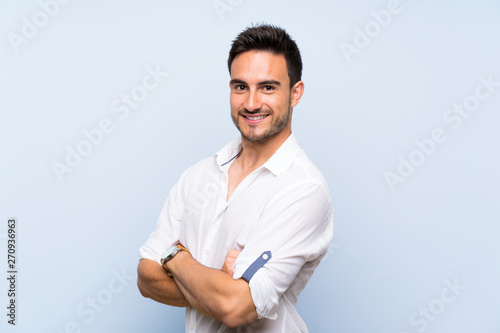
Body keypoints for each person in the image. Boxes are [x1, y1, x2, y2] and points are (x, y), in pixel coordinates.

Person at [137, 24, 334, 332]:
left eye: (268, 87)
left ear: (295, 93)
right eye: (240, 87)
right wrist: (220, 284)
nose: (252, 103)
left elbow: (235, 307)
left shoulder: (303, 188)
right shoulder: (197, 176)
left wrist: (173, 256)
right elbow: (146, 278)